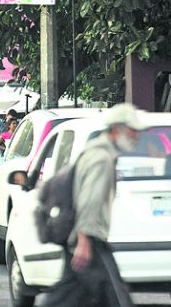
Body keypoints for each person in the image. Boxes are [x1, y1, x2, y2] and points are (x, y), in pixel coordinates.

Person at [40, 103, 144, 307]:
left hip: (87, 240)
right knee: (114, 298)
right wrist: (84, 240)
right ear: (116, 129)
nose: (136, 136)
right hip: (90, 241)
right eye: (132, 130)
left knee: (81, 296)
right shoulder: (101, 158)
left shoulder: (97, 152)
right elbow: (90, 200)